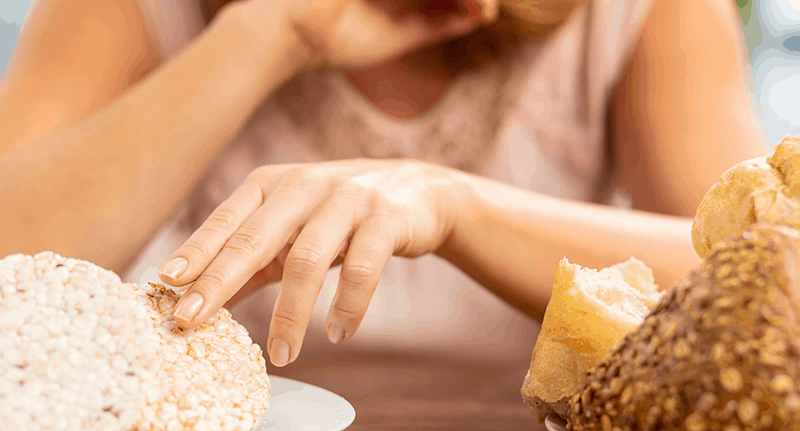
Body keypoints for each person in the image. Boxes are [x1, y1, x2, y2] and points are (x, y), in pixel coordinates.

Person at [0, 0, 767, 367]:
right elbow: (11, 267)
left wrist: (449, 203)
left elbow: (763, 282)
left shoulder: (644, 13)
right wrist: (271, 34)